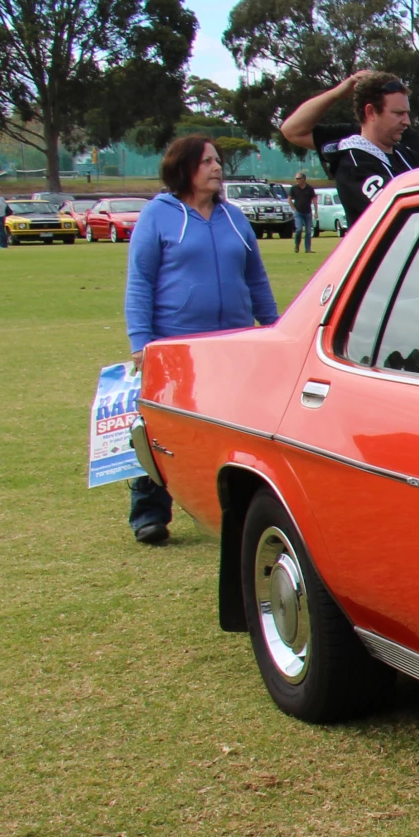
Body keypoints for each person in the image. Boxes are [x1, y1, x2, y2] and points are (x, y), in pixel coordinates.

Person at [122, 137, 281, 546]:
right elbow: (140, 281)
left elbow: (255, 278)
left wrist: (275, 328)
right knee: (163, 430)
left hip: (233, 343)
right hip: (175, 344)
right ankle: (148, 512)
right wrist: (141, 341)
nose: (217, 167)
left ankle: (227, 510)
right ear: (185, 168)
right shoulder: (157, 216)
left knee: (232, 425)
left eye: (218, 160)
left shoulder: (233, 218)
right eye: (207, 161)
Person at [280, 70, 419, 225]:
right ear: (371, 112)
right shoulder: (354, 164)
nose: (407, 121)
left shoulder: (408, 153)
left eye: (407, 113)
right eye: (398, 113)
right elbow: (292, 130)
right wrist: (336, 94)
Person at [288, 171, 316, 252]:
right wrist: (294, 209)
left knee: (308, 231)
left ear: (303, 179)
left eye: (299, 178)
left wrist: (316, 212)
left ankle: (308, 248)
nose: (297, 180)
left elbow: (314, 199)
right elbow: (289, 199)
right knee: (299, 229)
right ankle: (297, 245)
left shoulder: (309, 188)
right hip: (298, 212)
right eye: (296, 179)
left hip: (308, 212)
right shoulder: (294, 188)